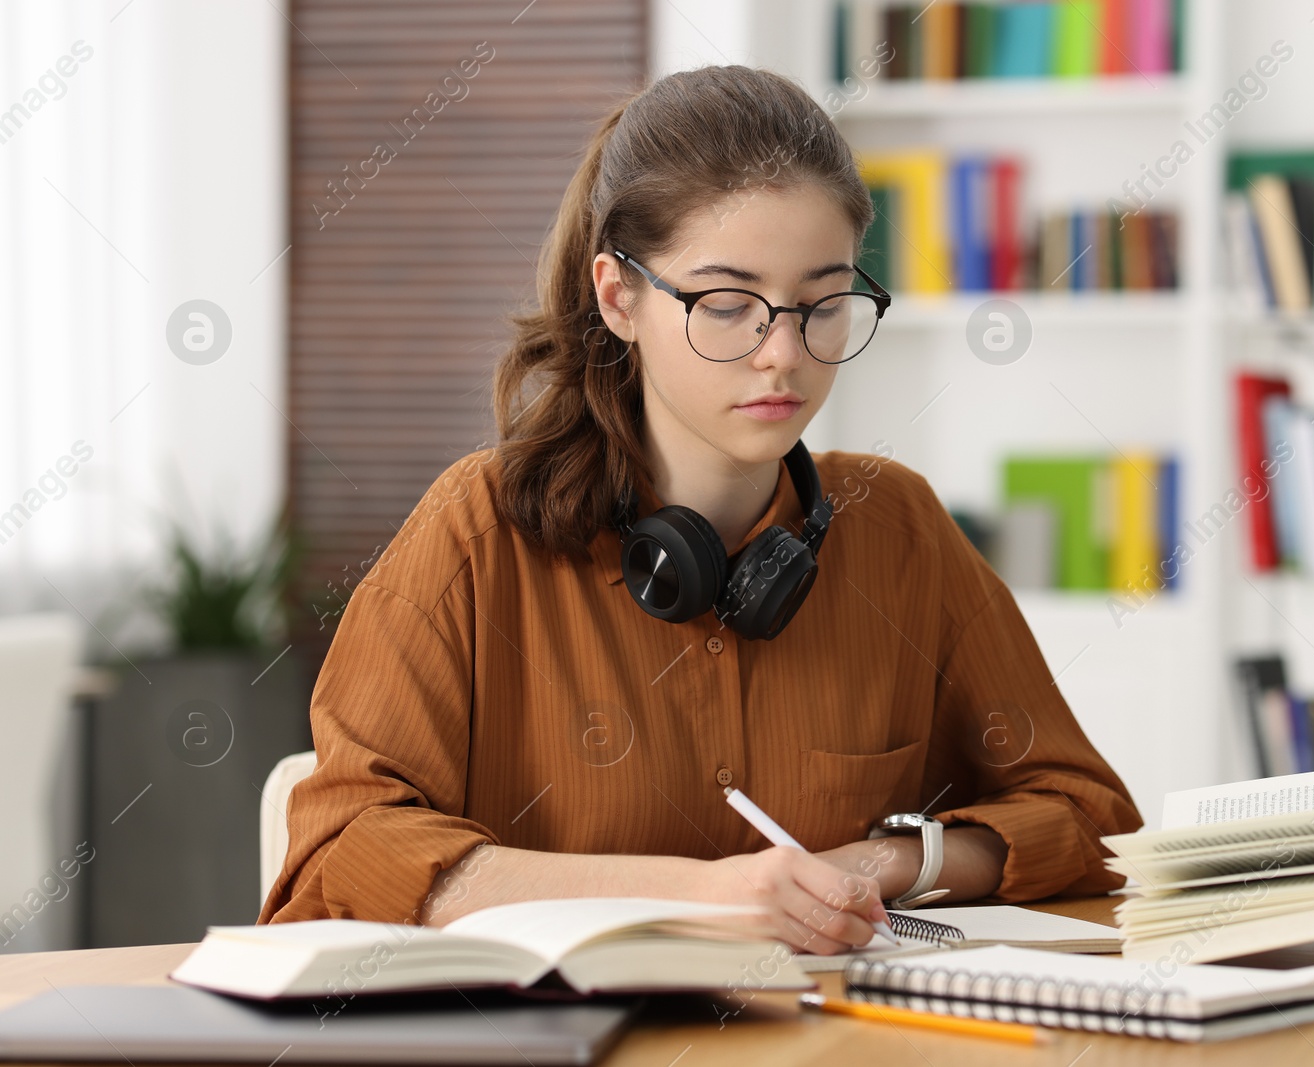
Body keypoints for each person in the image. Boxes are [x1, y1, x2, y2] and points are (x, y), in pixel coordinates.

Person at [259, 64, 1142, 956]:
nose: (784, 355)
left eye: (823, 303)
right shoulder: (475, 535)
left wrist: (875, 865)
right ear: (619, 297)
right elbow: (342, 853)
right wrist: (703, 896)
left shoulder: (901, 529)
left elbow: (1084, 815)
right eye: (728, 305)